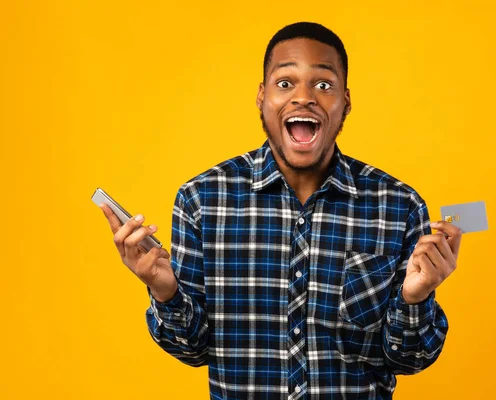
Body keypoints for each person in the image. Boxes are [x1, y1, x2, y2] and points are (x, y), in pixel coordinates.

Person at [99, 21, 462, 400]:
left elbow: (410, 359)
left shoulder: (399, 206)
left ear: (346, 102)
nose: (304, 97)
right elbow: (192, 349)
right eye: (285, 83)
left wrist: (416, 298)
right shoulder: (201, 201)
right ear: (261, 97)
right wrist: (164, 291)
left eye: (323, 85)